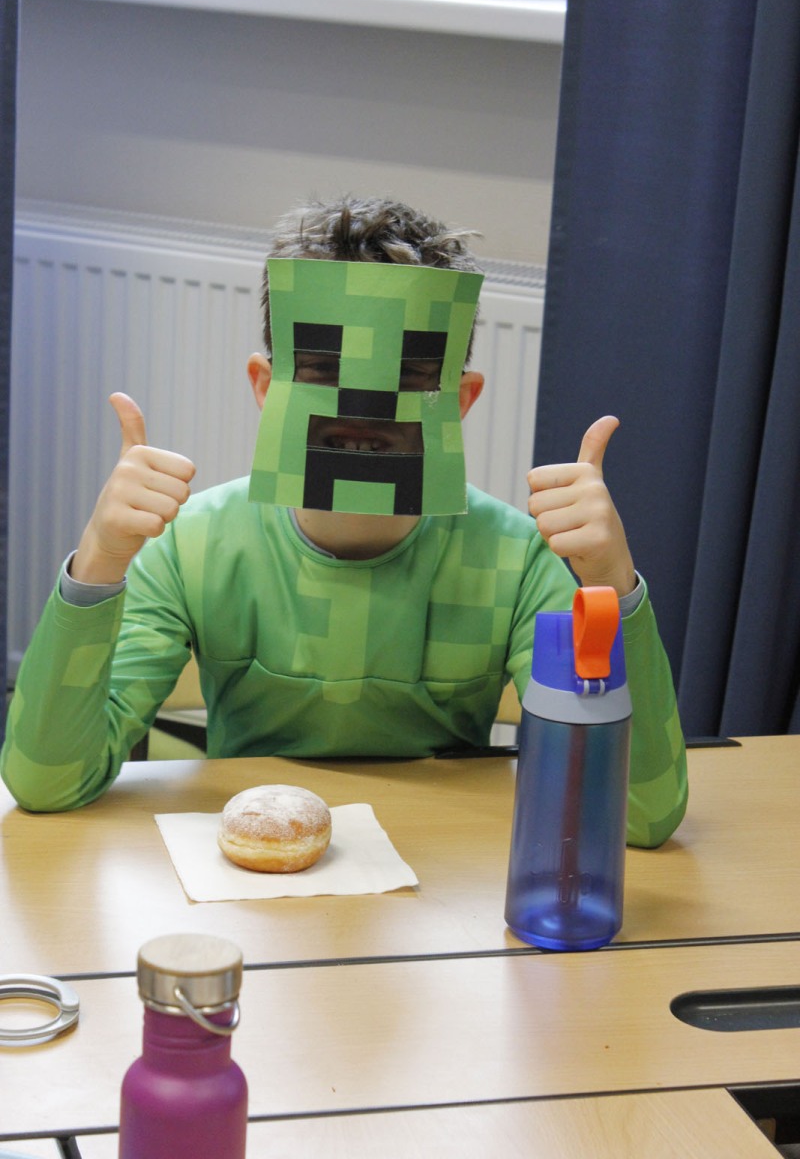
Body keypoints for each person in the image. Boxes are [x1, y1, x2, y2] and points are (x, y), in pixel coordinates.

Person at [0, 195, 687, 845]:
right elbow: (47, 784)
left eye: (409, 379)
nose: (361, 413)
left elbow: (640, 815)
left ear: (459, 399)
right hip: (254, 877)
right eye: (324, 371)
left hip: (443, 870)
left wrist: (613, 584)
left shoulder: (516, 558)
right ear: (266, 387)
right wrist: (99, 562)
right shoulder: (192, 545)